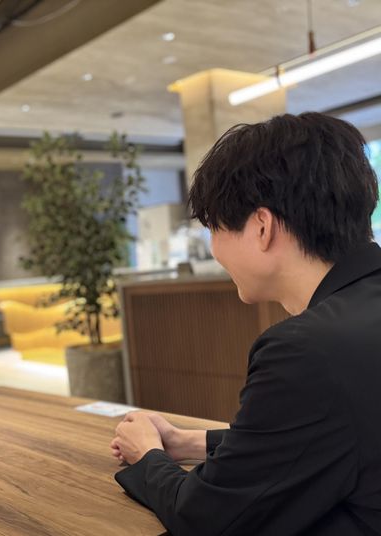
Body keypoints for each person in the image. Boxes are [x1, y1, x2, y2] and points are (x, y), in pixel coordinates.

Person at [111, 112, 381, 535]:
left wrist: (148, 455)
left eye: (215, 228)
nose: (214, 249)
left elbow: (206, 518)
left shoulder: (307, 350)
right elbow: (333, 434)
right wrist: (188, 441)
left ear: (261, 227)